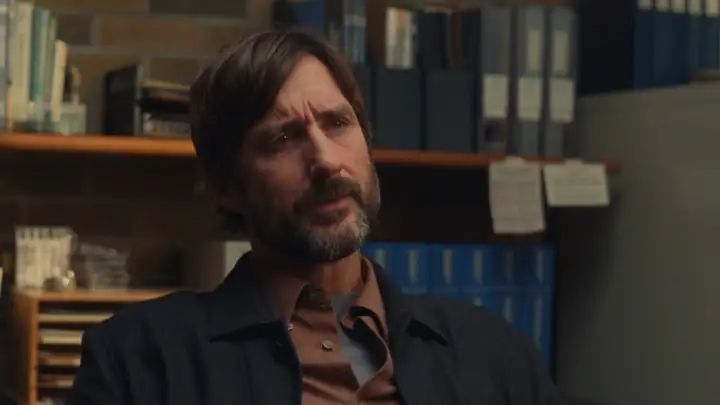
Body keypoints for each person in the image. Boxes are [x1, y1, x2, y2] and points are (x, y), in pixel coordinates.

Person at [67, 29, 561, 405]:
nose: (326, 160)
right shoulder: (140, 360)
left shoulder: (494, 354)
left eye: (338, 123)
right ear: (227, 187)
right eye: (283, 138)